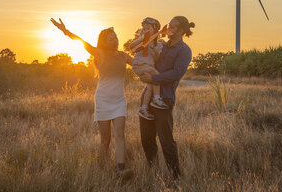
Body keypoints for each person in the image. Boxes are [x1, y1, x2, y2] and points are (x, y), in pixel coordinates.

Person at [50, 17, 134, 179]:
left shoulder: (123, 56)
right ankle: (100, 170)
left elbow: (138, 64)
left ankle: (120, 170)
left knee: (120, 134)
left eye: (115, 37)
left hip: (119, 101)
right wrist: (64, 30)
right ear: (104, 41)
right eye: (110, 38)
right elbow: (80, 40)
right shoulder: (98, 52)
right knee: (106, 140)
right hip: (103, 100)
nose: (114, 40)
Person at [138, 16, 195, 180]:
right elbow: (149, 59)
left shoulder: (184, 50)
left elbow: (176, 73)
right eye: (169, 25)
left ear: (182, 30)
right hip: (147, 98)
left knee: (166, 141)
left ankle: (175, 177)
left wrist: (153, 79)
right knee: (146, 140)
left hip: (165, 99)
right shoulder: (161, 45)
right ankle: (154, 174)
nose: (169, 28)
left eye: (174, 27)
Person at [129, 17, 169, 120]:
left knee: (150, 87)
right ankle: (156, 98)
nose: (145, 29)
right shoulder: (142, 40)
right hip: (139, 64)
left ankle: (144, 108)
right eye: (144, 28)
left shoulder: (158, 44)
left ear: (155, 30)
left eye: (148, 28)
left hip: (147, 66)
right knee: (156, 74)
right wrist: (142, 38)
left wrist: (156, 52)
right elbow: (131, 46)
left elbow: (156, 59)